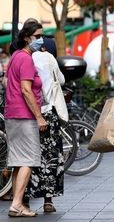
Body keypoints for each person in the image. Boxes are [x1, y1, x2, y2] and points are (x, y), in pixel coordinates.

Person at [4, 21, 48, 217]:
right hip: (24, 116)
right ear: (26, 38)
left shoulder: (14, 57)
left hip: (12, 114)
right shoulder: (26, 59)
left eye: (42, 36)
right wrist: (39, 117)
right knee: (28, 160)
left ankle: (17, 203)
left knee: (18, 161)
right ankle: (16, 203)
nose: (41, 40)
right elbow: (26, 89)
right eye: (37, 36)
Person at [24, 21, 66, 213]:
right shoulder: (48, 57)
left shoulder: (22, 57)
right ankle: (48, 201)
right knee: (49, 157)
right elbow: (62, 79)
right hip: (48, 111)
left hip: (26, 112)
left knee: (27, 157)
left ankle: (23, 198)